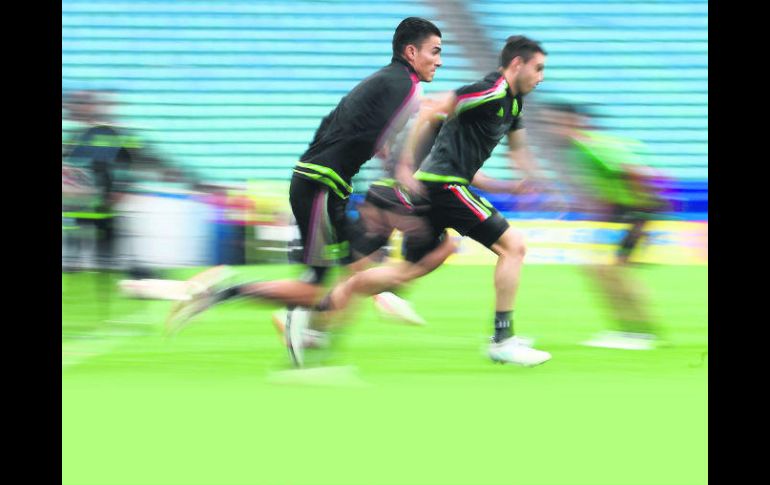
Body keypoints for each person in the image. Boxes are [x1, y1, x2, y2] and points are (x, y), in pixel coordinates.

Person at [166, 18, 445, 358]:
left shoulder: (381, 80)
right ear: (411, 52)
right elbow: (392, 137)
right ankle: (224, 294)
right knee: (313, 287)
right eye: (434, 52)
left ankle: (308, 338)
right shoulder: (409, 86)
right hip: (322, 185)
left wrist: (374, 150)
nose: (439, 61)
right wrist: (401, 168)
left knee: (356, 265)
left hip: (321, 182)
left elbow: (336, 120)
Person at [385, 35, 554, 366]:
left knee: (408, 270)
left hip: (442, 186)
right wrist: (404, 164)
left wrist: (528, 184)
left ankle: (318, 315)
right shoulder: (488, 91)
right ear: (517, 64)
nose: (541, 77)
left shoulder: (514, 104)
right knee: (514, 247)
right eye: (538, 68)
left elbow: (517, 152)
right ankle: (502, 340)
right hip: (444, 188)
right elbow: (430, 107)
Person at [534, 102, 668, 349]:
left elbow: (635, 171)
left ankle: (639, 332)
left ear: (574, 122)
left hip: (634, 212)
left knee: (608, 271)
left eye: (556, 122)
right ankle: (633, 331)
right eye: (548, 123)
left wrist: (643, 213)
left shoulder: (593, 145)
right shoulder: (579, 149)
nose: (551, 129)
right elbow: (608, 185)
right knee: (602, 270)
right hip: (625, 213)